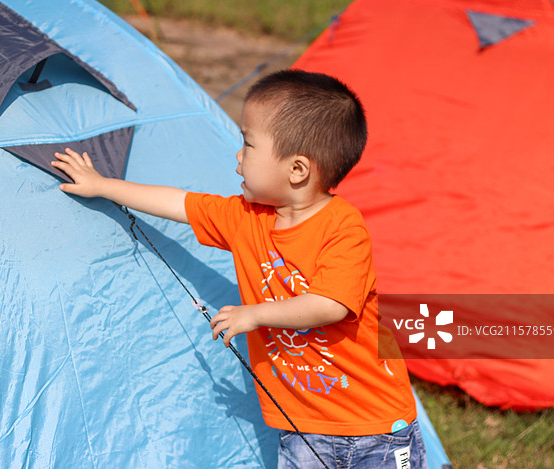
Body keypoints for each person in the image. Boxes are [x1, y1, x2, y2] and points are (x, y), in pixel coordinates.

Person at [51, 69, 425, 469]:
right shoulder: (246, 217)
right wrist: (103, 185)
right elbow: (179, 203)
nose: (237, 155)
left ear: (297, 170)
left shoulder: (343, 227)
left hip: (376, 429)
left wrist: (256, 314)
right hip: (302, 428)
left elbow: (330, 304)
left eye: (247, 144)